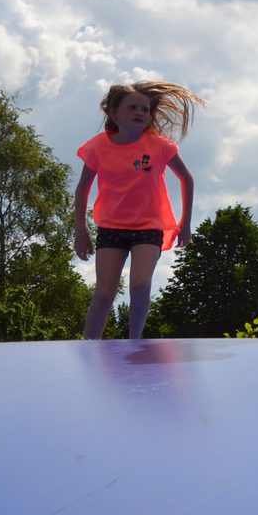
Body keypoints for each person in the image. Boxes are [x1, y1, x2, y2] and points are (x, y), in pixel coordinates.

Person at [74, 81, 203, 339]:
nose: (140, 113)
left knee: (141, 284)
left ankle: (135, 342)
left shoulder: (159, 146)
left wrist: (184, 223)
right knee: (104, 293)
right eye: (132, 107)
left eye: (145, 109)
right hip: (111, 227)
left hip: (149, 226)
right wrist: (81, 230)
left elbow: (186, 179)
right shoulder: (98, 147)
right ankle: (88, 347)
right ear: (114, 113)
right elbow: (82, 190)